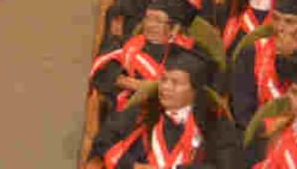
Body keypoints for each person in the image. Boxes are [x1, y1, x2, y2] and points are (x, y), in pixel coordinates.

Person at [88, 47, 240, 168]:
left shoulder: (213, 122)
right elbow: (103, 143)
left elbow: (227, 165)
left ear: (194, 90)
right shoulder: (143, 109)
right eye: (164, 80)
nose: (165, 87)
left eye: (175, 83)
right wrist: (133, 165)